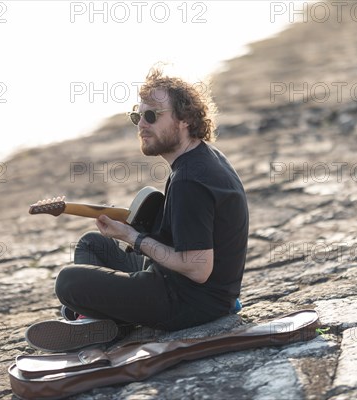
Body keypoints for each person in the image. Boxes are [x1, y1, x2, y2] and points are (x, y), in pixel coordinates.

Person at [25, 67, 249, 352]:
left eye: (152, 115)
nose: (141, 125)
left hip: (192, 303)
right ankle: (99, 321)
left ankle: (98, 322)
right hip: (183, 286)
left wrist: (133, 238)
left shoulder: (190, 180)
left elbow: (198, 268)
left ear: (185, 119)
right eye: (138, 116)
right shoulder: (202, 157)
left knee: (68, 282)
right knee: (92, 244)